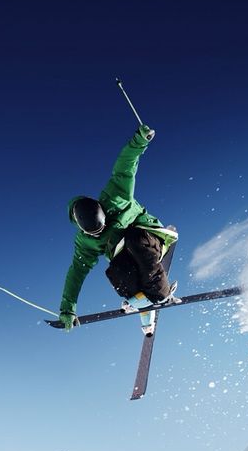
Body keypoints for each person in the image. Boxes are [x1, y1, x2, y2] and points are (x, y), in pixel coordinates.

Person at [59, 123, 178, 334]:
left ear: (103, 213)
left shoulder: (116, 196)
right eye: (93, 233)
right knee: (115, 271)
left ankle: (160, 294)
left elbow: (125, 165)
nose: (98, 234)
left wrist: (140, 140)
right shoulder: (84, 243)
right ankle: (139, 302)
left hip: (148, 238)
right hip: (125, 256)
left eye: (101, 228)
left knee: (134, 238)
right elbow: (76, 273)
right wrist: (68, 308)